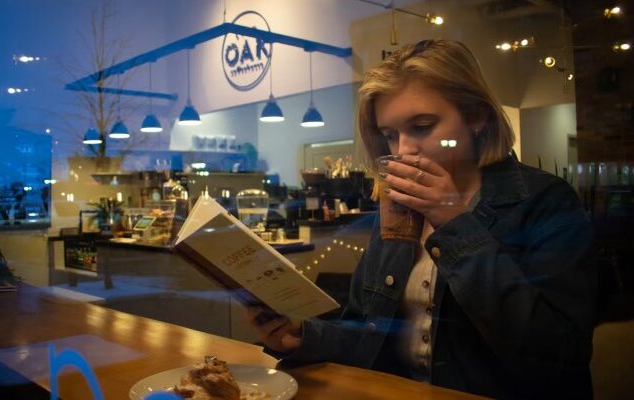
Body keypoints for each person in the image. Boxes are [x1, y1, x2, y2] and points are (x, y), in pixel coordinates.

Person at [246, 39, 597, 399]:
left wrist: (455, 225)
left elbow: (561, 356)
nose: (403, 151)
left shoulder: (544, 201)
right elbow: (368, 332)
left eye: (423, 126)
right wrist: (302, 335)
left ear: (476, 116)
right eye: (389, 135)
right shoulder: (399, 208)